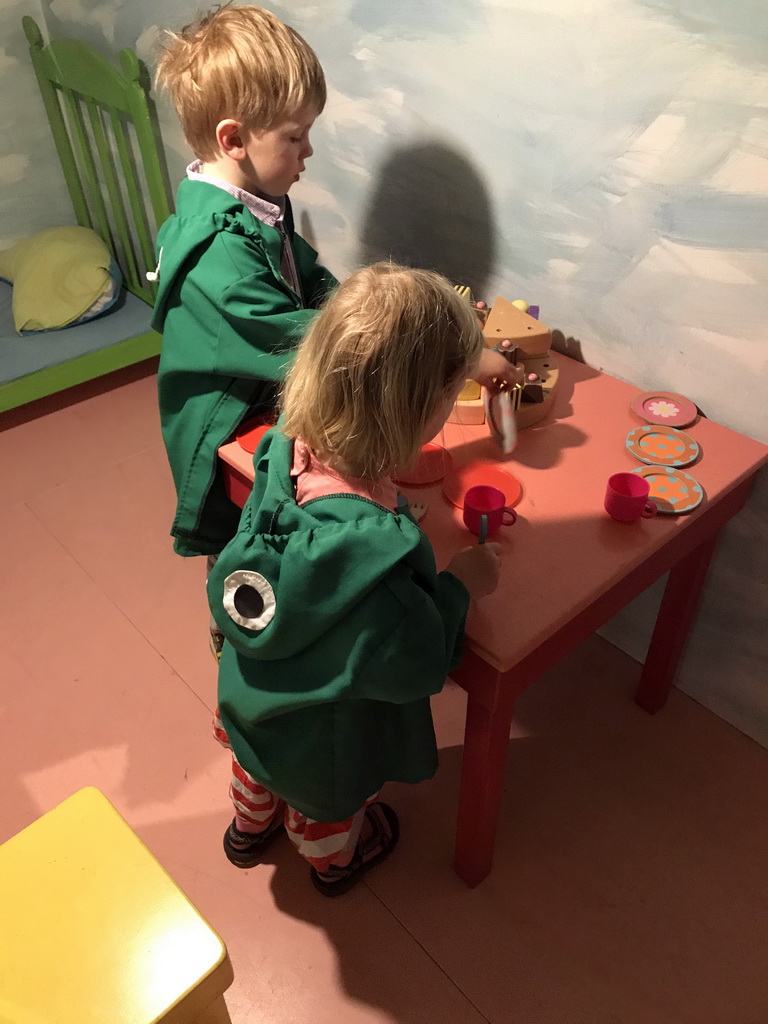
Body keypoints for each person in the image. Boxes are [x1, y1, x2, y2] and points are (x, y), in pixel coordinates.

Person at [207, 262, 505, 896]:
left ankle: (246, 830)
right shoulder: (381, 560)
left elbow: (318, 535)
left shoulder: (282, 452)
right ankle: (335, 864)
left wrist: (383, 506)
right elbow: (418, 661)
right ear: (417, 412)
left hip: (249, 701)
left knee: (254, 774)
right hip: (326, 740)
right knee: (325, 809)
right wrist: (460, 587)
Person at [151, 4, 339, 660]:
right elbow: (292, 337)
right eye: (296, 137)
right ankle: (238, 653)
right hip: (222, 418)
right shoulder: (219, 255)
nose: (307, 153)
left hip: (255, 381)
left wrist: (349, 302)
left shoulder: (259, 201)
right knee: (240, 547)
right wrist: (384, 337)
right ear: (234, 140)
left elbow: (305, 274)